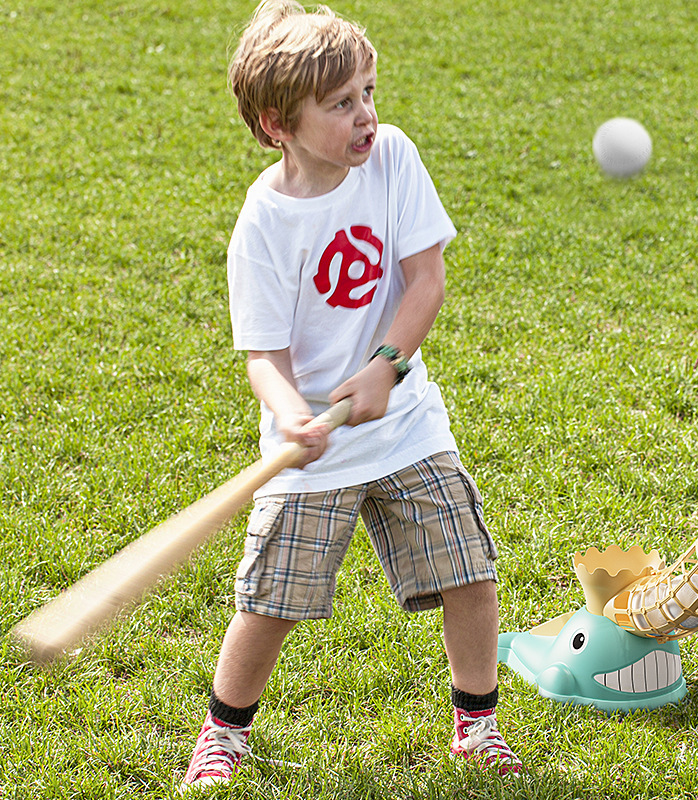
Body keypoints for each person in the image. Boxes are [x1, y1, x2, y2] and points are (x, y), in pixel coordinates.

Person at [180, 0, 522, 791]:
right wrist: (292, 414)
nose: (366, 116)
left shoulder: (393, 157)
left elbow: (425, 280)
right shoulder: (263, 224)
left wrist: (387, 365)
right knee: (271, 602)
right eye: (341, 105)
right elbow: (263, 354)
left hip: (405, 424)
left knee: (468, 569)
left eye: (369, 92)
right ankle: (223, 735)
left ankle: (477, 726)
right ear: (278, 126)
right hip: (311, 452)